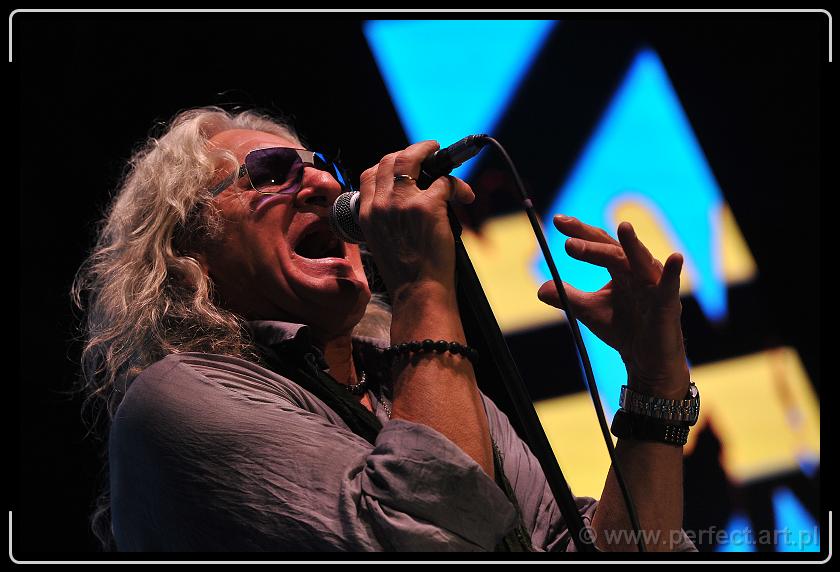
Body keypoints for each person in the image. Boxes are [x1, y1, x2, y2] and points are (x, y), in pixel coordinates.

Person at [73, 106, 697, 552]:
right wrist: (422, 286)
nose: (324, 183)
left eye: (323, 168)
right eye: (270, 172)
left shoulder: (410, 386)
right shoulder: (179, 398)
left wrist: (655, 385)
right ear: (188, 248)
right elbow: (434, 537)